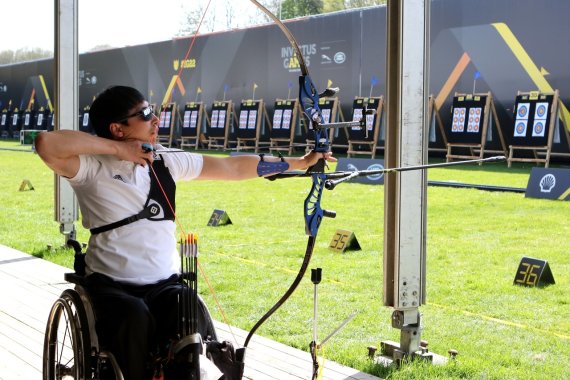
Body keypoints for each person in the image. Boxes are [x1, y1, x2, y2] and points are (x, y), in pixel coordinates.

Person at [35, 85, 334, 379]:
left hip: (164, 285)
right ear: (118, 128)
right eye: (145, 114)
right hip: (113, 287)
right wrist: (118, 150)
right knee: (133, 318)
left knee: (188, 310)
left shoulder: (165, 160)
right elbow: (46, 144)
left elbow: (232, 168)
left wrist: (301, 162)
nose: (155, 119)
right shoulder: (90, 168)